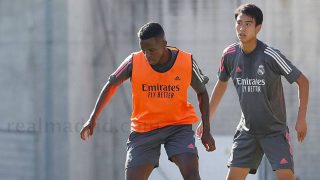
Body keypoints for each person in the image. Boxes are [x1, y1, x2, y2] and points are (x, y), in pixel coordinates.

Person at [80, 22, 216, 180]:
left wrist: (206, 129)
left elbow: (202, 93)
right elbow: (111, 85)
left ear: (164, 44)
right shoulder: (133, 61)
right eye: (144, 50)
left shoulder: (186, 61)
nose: (147, 55)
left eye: (151, 50)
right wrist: (93, 117)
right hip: (144, 129)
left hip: (178, 126)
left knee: (192, 175)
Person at [196, 3, 309, 180]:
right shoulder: (229, 54)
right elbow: (221, 85)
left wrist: (301, 118)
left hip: (274, 132)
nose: (242, 28)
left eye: (248, 24)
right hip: (247, 132)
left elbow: (303, 82)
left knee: (286, 176)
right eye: (239, 23)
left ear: (258, 28)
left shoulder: (271, 55)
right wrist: (206, 120)